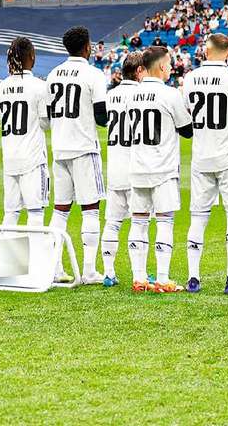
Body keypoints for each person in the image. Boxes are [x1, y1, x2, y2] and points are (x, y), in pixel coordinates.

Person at [182, 33, 228, 294]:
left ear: (205, 50)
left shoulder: (190, 79)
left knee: (198, 217)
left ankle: (193, 278)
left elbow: (189, 112)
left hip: (202, 156)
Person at [126, 47, 193, 293]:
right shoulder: (170, 94)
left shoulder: (131, 94)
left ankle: (139, 278)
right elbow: (187, 130)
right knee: (164, 221)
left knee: (139, 221)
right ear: (162, 66)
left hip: (137, 165)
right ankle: (162, 279)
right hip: (162, 167)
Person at [46, 26, 109, 284]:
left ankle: (56, 268)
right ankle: (89, 270)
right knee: (90, 210)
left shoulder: (52, 75)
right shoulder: (93, 74)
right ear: (87, 47)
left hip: (60, 148)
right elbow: (102, 117)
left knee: (60, 210)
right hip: (84, 147)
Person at [0, 37, 50, 228]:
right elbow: (45, 122)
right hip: (33, 158)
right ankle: (36, 256)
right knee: (35, 212)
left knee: (11, 213)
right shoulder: (39, 86)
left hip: (10, 157)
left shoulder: (1, 87)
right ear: (32, 57)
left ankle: (5, 257)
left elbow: (2, 118)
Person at [100, 52, 141, 287]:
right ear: (138, 72)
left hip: (115, 164)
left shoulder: (111, 95)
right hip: (136, 164)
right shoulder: (141, 93)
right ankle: (139, 274)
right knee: (139, 221)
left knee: (113, 222)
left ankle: (108, 273)